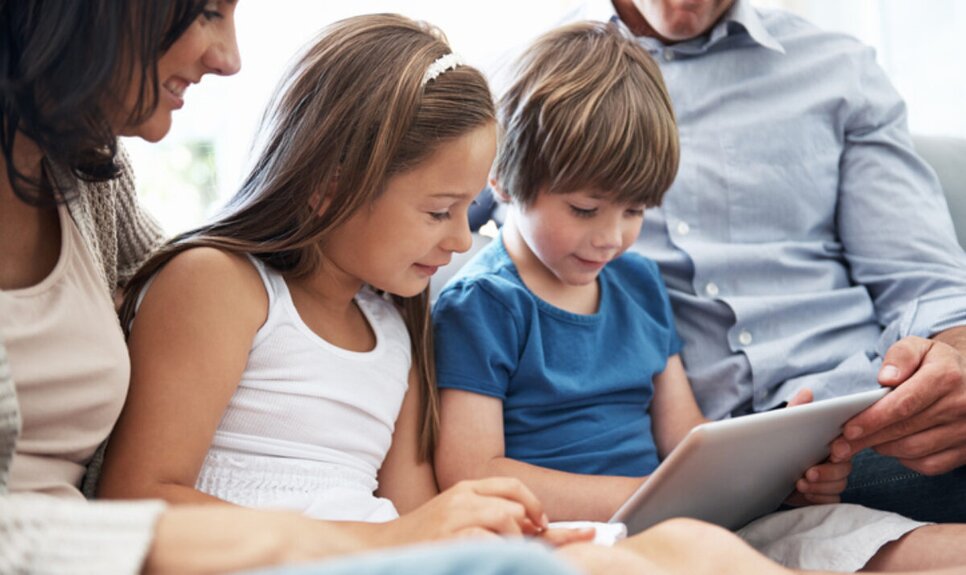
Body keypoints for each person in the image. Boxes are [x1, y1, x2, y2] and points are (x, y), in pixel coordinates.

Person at [0, 2, 583, 573]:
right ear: (332, 187)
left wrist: (488, 537)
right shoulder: (220, 284)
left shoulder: (394, 323)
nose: (460, 239)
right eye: (438, 212)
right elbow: (139, 499)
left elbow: (417, 515)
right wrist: (396, 540)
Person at [432, 20, 966, 573]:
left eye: (635, 211)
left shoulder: (638, 283)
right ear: (500, 180)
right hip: (571, 536)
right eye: (585, 210)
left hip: (684, 518)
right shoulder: (483, 304)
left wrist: (776, 470)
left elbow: (687, 438)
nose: (611, 237)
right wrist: (650, 496)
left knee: (900, 545)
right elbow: (472, 475)